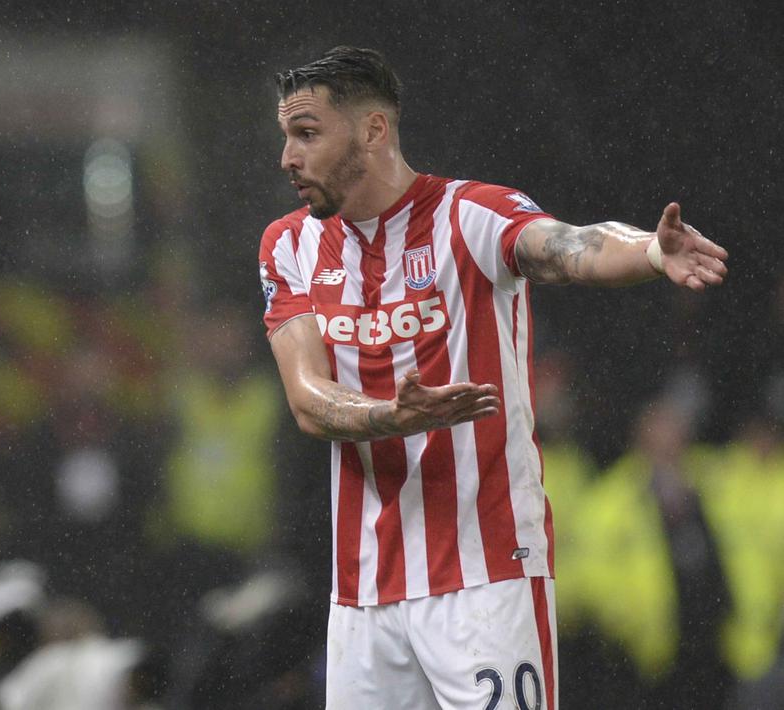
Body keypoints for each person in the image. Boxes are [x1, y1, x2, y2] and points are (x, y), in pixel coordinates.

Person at [258, 46, 728, 709]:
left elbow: (566, 246)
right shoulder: (287, 246)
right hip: (360, 592)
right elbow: (307, 399)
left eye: (306, 134)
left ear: (372, 130)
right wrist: (393, 417)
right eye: (286, 136)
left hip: (485, 577)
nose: (287, 157)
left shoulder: (468, 215)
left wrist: (649, 251)